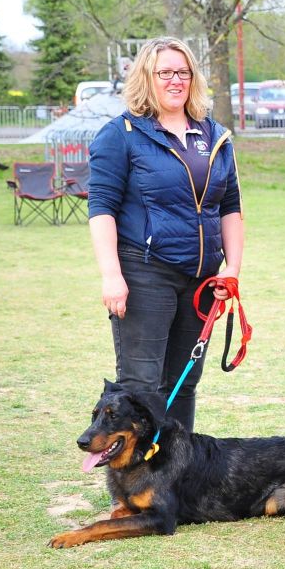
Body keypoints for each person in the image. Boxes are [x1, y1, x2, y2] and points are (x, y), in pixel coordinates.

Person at [86, 37, 243, 432]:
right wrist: (111, 275)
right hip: (145, 273)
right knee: (141, 387)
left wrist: (232, 270)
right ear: (147, 77)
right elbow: (100, 207)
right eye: (165, 72)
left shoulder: (214, 135)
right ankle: (134, 488)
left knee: (183, 385)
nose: (176, 80)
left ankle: (175, 484)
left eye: (183, 72)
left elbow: (230, 207)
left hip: (203, 279)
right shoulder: (120, 134)